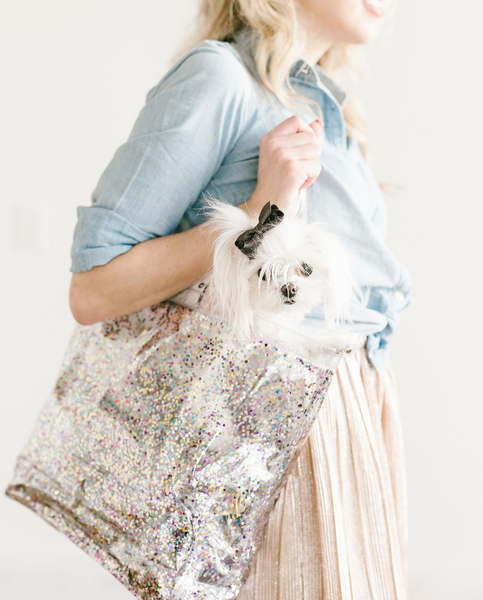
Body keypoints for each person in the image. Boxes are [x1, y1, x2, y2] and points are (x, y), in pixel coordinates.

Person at [69, 1, 412, 598]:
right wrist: (257, 211)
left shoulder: (332, 109)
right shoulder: (220, 78)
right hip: (279, 424)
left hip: (357, 405)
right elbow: (94, 288)